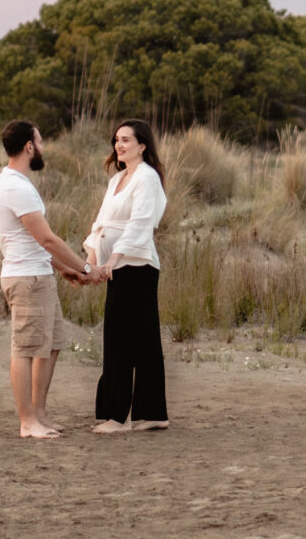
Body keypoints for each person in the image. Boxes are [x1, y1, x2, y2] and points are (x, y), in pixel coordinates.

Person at [0, 119, 106, 439]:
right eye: (40, 142)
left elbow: (35, 243)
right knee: (26, 348)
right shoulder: (15, 185)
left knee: (51, 344)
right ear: (29, 147)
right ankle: (27, 422)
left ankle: (39, 414)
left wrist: (64, 269)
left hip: (39, 274)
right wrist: (86, 268)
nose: (42, 148)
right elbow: (47, 239)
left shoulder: (18, 183)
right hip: (26, 279)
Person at [83, 118, 169, 434]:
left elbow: (140, 225)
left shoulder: (147, 178)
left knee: (122, 339)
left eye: (126, 140)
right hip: (117, 268)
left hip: (137, 267)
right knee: (141, 340)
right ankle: (152, 413)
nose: (119, 145)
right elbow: (100, 224)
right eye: (116, 140)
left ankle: (116, 417)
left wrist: (113, 260)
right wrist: (90, 263)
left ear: (142, 145)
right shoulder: (117, 179)